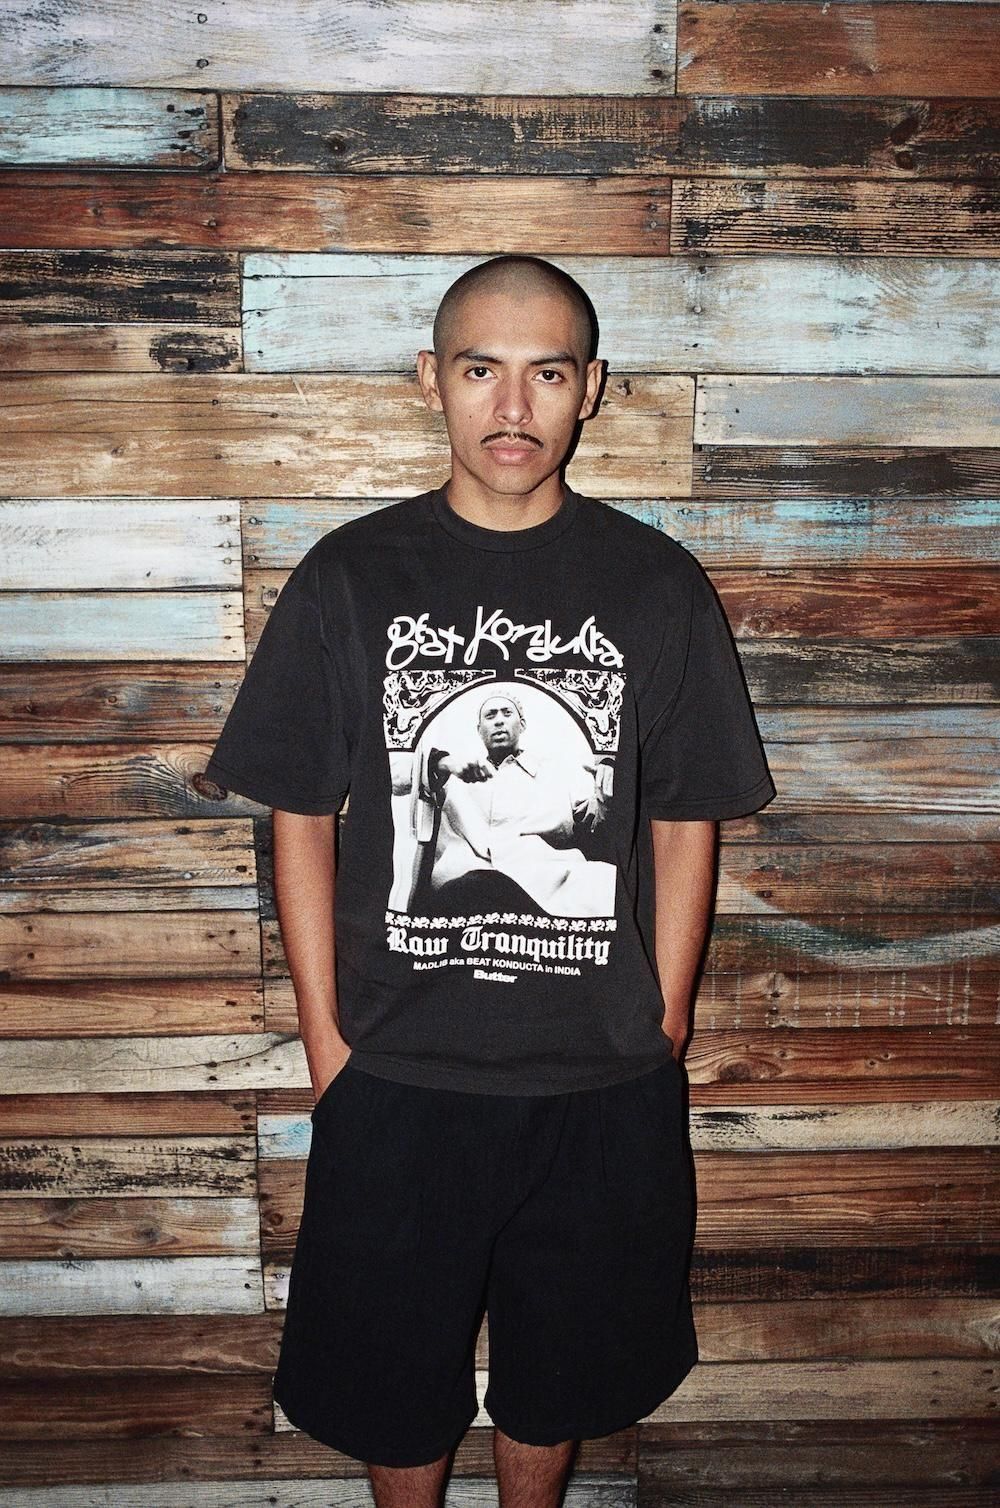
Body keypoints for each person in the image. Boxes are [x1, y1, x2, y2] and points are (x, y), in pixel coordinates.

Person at [201, 254, 776, 1508]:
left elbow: (685, 818)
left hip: (599, 1078)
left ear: (590, 389)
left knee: (554, 1382)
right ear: (431, 379)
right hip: (398, 1073)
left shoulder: (654, 585)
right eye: (480, 369)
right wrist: (328, 1043)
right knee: (390, 1384)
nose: (512, 407)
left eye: (546, 373)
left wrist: (664, 1020)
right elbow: (299, 813)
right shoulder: (353, 576)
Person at [393, 686, 617, 916]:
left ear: (523, 725)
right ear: (479, 730)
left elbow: (594, 825)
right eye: (490, 715)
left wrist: (608, 795)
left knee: (607, 883)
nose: (499, 720)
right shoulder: (453, 776)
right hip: (465, 886)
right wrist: (443, 762)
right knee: (474, 886)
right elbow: (393, 779)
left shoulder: (558, 774)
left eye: (507, 713)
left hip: (545, 886)